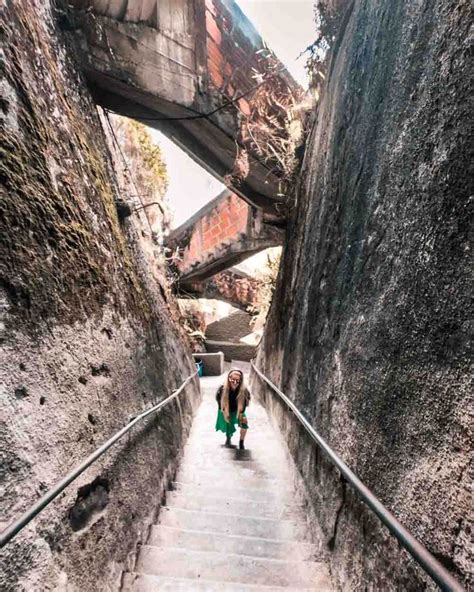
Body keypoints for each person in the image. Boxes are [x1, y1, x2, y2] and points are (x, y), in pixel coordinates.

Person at [215, 368, 250, 449]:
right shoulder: (222, 389)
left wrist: (241, 414)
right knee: (228, 424)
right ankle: (228, 437)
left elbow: (245, 403)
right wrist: (224, 412)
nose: (235, 382)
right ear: (229, 379)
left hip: (239, 411)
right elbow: (219, 402)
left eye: (237, 380)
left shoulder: (244, 391)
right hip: (227, 410)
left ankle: (241, 442)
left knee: (244, 424)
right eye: (233, 379)